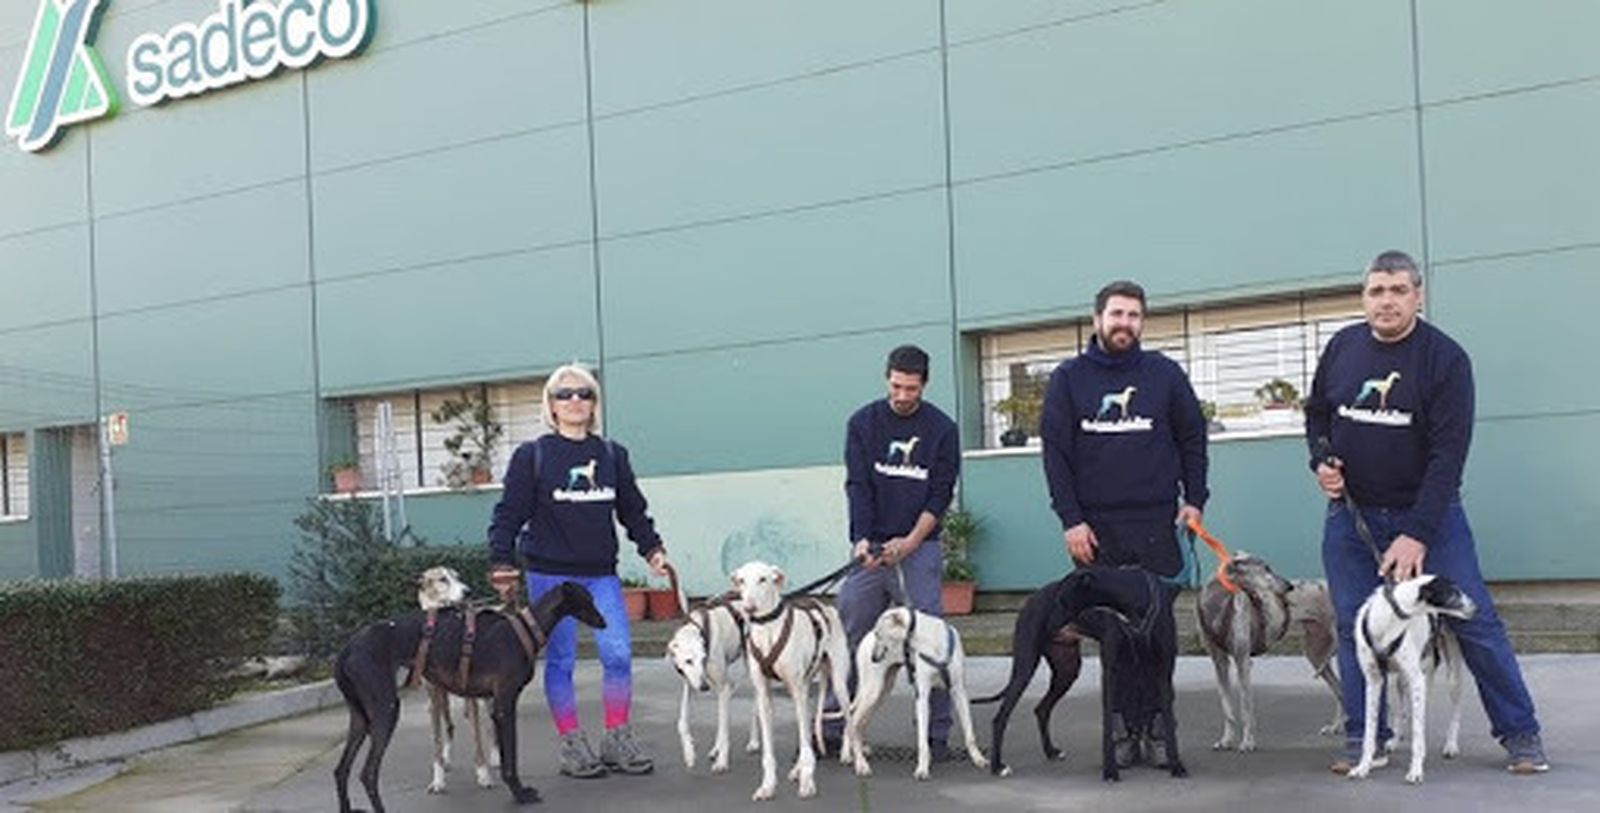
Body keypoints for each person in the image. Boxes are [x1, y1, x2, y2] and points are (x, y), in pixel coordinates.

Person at [1306, 250, 1547, 775]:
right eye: (1376, 291)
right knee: (1352, 626)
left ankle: (1522, 735)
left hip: (1431, 518)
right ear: (1363, 297)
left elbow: (1447, 457)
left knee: (1474, 620)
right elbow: (1317, 412)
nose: (1386, 301)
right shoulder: (1343, 348)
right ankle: (1365, 740)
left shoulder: (1446, 360)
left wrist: (1416, 534)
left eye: (1397, 290)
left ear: (1419, 294)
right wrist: (1321, 459)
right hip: (1351, 516)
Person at [1037, 279, 1209, 765]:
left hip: (1157, 526)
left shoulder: (1165, 375)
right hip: (1097, 532)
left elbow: (1193, 440)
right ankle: (1119, 729)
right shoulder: (1069, 379)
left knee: (1156, 638)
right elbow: (1056, 456)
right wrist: (1071, 521)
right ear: (1097, 319)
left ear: (1142, 322)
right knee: (1115, 640)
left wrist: (1194, 501)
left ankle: (1156, 728)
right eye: (1116, 314)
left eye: (1133, 316)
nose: (1124, 323)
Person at [487, 363, 670, 778]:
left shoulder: (610, 454)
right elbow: (509, 514)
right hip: (549, 576)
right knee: (562, 660)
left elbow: (632, 510)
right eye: (564, 394)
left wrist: (652, 548)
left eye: (584, 394)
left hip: (600, 574)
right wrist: (501, 560)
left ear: (594, 404)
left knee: (618, 654)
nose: (574, 401)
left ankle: (617, 738)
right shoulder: (532, 456)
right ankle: (572, 745)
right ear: (550, 404)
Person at [823, 344, 960, 759]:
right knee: (848, 634)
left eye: (911, 389)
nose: (903, 395)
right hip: (873, 549)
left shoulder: (942, 429)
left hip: (919, 548)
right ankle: (831, 729)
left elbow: (940, 495)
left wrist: (912, 542)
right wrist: (862, 539)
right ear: (887, 378)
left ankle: (935, 736)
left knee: (930, 640)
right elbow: (858, 485)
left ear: (924, 384)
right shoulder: (863, 423)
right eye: (897, 386)